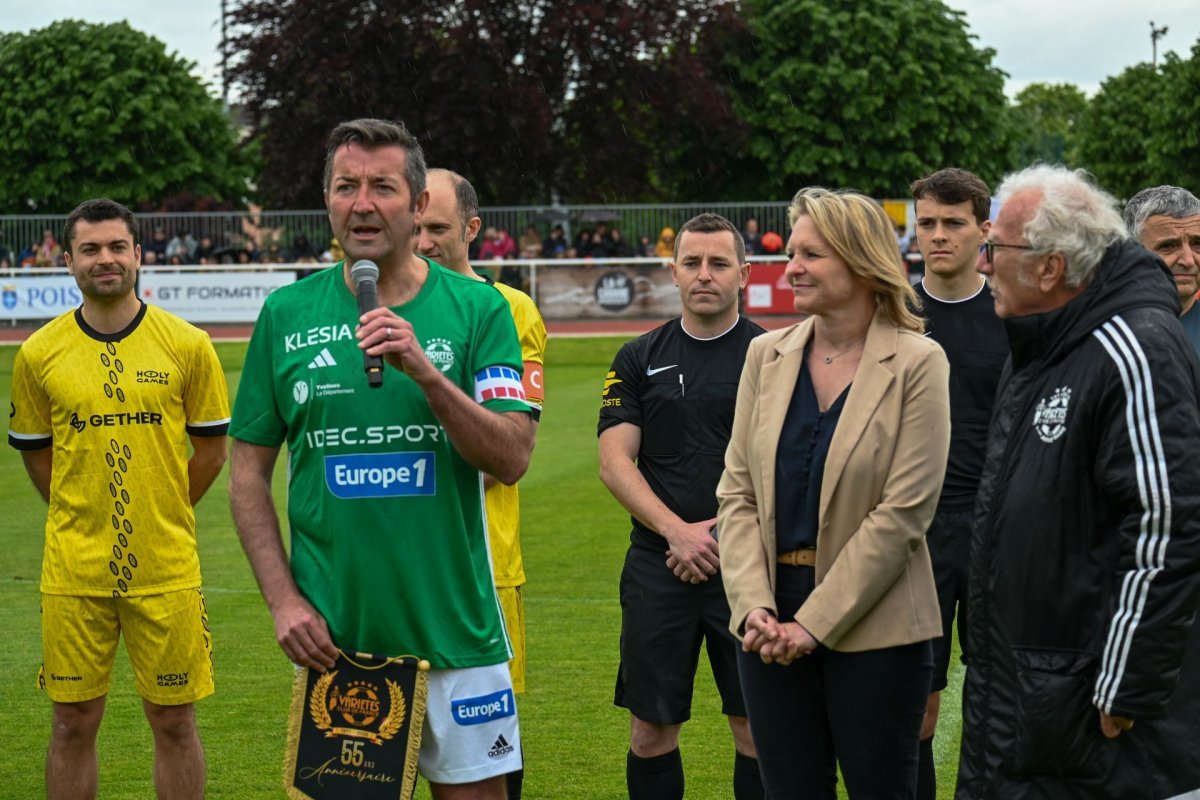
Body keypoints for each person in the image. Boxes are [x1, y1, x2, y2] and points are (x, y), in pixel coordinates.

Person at [228, 119, 535, 800]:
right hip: (340, 645)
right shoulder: (285, 313)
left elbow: (512, 457)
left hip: (459, 636)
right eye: (346, 186)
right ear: (329, 201)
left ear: (420, 204)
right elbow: (246, 474)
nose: (362, 203)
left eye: (383, 187)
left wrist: (425, 372)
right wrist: (282, 602)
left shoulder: (480, 310)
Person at [959, 165, 1200, 799]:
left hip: (1092, 710)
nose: (982, 264)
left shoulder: (1135, 347)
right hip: (1032, 692)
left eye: (995, 249)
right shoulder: (1041, 346)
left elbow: (1165, 529)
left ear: (1050, 268)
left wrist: (1125, 686)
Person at [718, 187, 950, 798]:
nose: (790, 267)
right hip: (767, 622)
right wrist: (754, 607)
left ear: (860, 259)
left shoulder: (920, 363)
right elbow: (737, 494)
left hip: (880, 625)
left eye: (810, 254)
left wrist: (812, 626)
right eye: (792, 252)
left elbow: (903, 515)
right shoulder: (764, 356)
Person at [8, 198, 230, 800]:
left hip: (166, 565)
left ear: (138, 254)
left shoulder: (188, 344)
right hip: (73, 569)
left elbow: (211, 451)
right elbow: (35, 451)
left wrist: (165, 510)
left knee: (176, 722)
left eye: (115, 247)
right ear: (67, 260)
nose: (104, 259)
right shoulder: (38, 353)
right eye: (89, 249)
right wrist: (80, 509)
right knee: (71, 722)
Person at [598, 212, 765, 800]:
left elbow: (794, 462)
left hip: (749, 567)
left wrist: (719, 534)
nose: (704, 274)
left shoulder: (775, 354)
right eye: (692, 262)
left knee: (756, 729)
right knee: (650, 730)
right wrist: (677, 533)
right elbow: (614, 462)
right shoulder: (638, 356)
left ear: (743, 273)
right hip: (658, 566)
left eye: (719, 263)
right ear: (673, 272)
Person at [415, 167, 547, 800]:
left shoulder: (508, 309)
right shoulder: (367, 305)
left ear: (472, 228)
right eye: (414, 227)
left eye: (437, 228)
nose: (422, 242)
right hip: (388, 566)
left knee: (492, 740)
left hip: (483, 563)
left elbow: (505, 456)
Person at [909, 168, 1008, 800]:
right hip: (912, 532)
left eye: (954, 223)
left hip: (1001, 527)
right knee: (916, 705)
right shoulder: (891, 312)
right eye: (927, 224)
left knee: (1000, 698)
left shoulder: (1014, 311)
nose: (938, 236)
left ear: (985, 230)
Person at [1122, 185, 1200, 357]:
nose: (1188, 260)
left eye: (1197, 244)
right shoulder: (1103, 331)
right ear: (1132, 253)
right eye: (1168, 246)